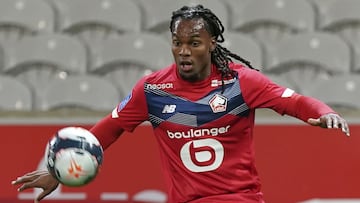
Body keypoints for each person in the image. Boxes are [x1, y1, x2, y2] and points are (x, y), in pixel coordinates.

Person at [12, 4, 350, 203]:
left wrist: (324, 112)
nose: (184, 51)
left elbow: (293, 101)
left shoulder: (240, 81)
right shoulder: (153, 90)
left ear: (212, 43)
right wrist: (59, 171)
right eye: (177, 42)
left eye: (194, 43)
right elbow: (109, 129)